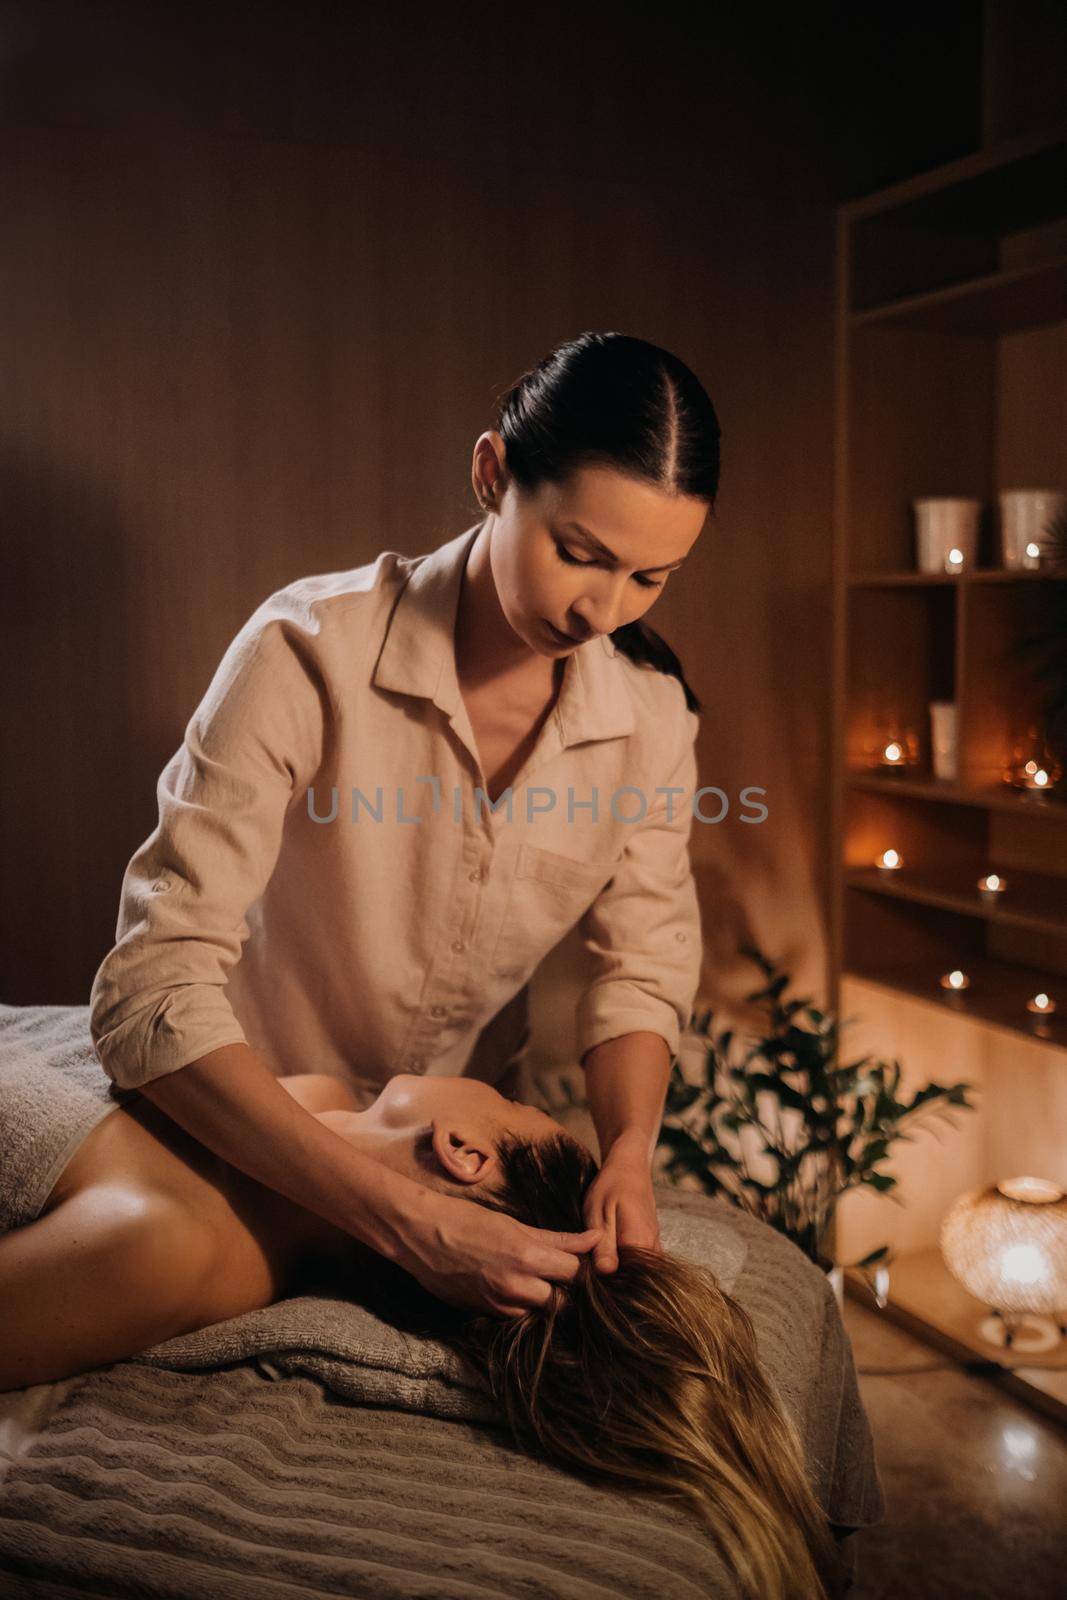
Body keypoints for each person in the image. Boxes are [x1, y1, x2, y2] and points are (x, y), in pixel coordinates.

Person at [88, 330, 719, 1319]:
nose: (604, 608)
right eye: (579, 554)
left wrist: (628, 1149)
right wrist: (407, 1226)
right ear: (491, 473)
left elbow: (638, 967)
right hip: (237, 1137)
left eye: (650, 578)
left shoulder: (649, 722)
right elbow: (150, 989)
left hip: (444, 1167)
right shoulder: (306, 652)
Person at [0, 1070, 841, 1600]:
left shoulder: (170, 1247)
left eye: (516, 1104)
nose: (504, 1089)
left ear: (463, 1152)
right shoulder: (316, 1100)